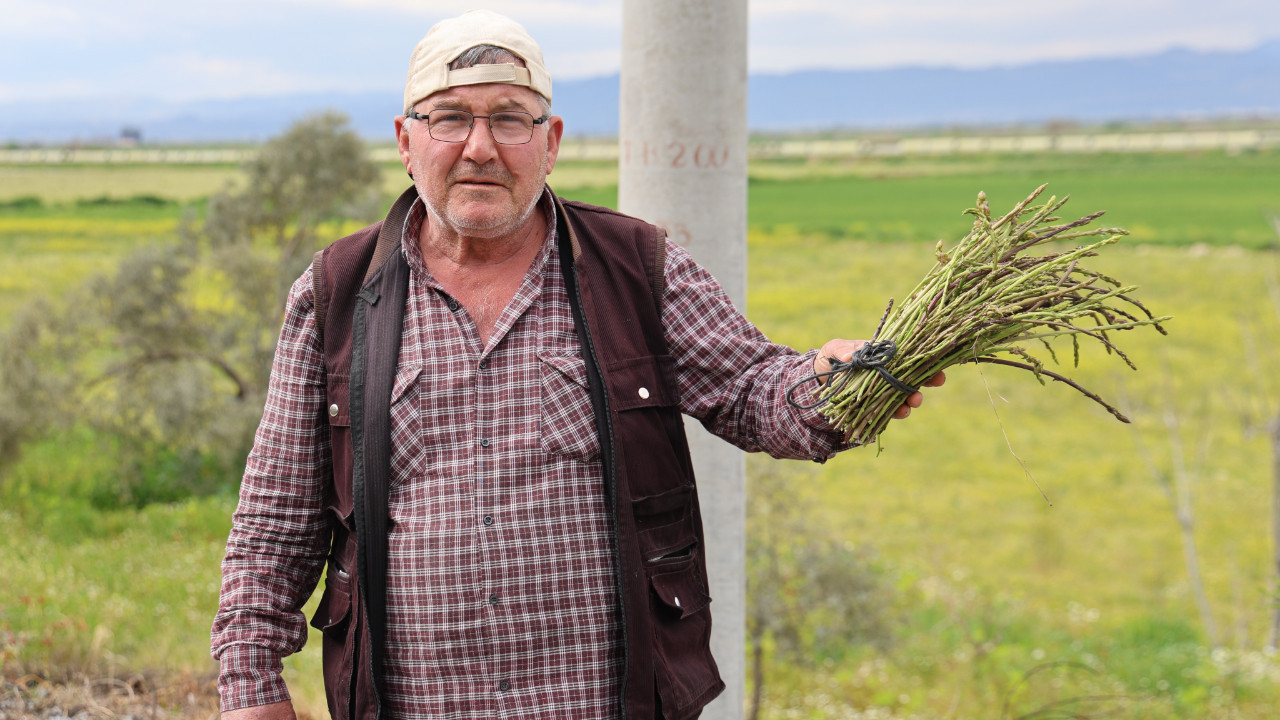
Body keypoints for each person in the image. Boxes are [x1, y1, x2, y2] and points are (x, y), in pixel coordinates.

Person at [210, 10, 942, 720]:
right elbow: (274, 521)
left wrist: (838, 385)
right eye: (450, 118)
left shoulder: (635, 266)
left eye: (509, 118)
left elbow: (753, 388)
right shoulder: (337, 293)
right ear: (407, 141)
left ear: (550, 141)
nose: (480, 147)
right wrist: (251, 688)